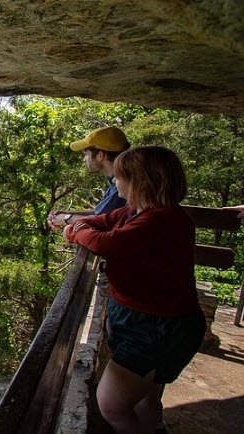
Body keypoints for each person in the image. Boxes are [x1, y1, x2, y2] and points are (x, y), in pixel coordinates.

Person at [63, 147, 205, 433]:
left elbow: (105, 243)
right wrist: (77, 225)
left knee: (110, 404)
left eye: (120, 177)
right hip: (145, 319)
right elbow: (100, 223)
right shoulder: (134, 213)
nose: (115, 182)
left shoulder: (162, 221)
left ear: (141, 181)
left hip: (159, 327)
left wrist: (73, 230)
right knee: (144, 400)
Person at [49, 126, 131, 228]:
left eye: (86, 154)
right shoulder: (117, 181)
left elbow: (100, 220)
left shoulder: (124, 185)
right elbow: (99, 212)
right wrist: (67, 213)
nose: (84, 159)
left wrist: (66, 218)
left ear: (100, 155)